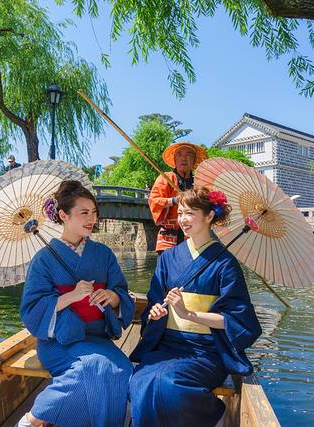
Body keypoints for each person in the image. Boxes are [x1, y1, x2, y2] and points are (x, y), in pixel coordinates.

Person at [129, 187, 262, 427]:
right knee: (142, 380)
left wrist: (189, 314)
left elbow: (237, 320)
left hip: (206, 350)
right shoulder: (168, 258)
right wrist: (156, 312)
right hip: (168, 344)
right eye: (180, 213)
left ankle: (214, 415)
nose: (182, 219)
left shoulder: (225, 263)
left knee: (169, 383)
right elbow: (154, 302)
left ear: (209, 216)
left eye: (189, 213)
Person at [18, 180, 135, 427]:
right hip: (59, 341)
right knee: (92, 368)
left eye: (94, 212)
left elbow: (121, 292)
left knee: (123, 369)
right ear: (63, 215)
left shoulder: (103, 254)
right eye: (84, 213)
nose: (92, 218)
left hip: (97, 337)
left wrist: (111, 296)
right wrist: (71, 296)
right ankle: (33, 419)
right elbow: (31, 309)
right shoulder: (43, 259)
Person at [148, 142, 208, 253]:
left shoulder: (199, 183)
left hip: (192, 240)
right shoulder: (166, 178)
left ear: (194, 160)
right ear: (175, 159)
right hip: (168, 240)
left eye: (189, 155)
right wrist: (173, 200)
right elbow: (154, 200)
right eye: (179, 154)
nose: (184, 158)